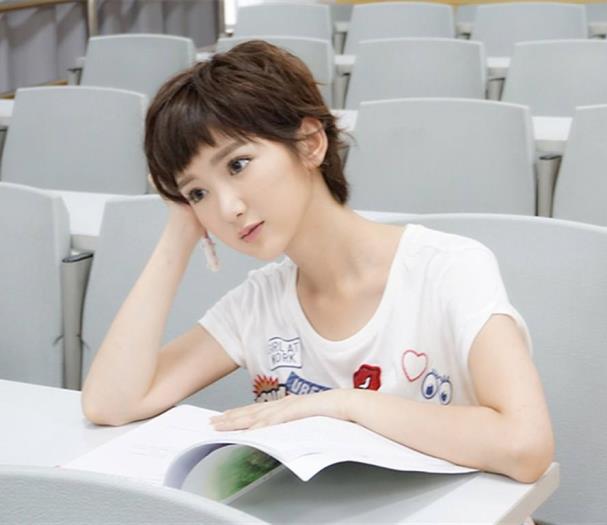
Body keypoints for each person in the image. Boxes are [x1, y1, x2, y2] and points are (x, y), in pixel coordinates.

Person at [82, 41, 554, 483]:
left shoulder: (448, 268)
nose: (227, 208)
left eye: (238, 165)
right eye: (198, 192)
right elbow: (111, 403)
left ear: (310, 143)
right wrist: (179, 233)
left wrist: (346, 406)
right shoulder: (259, 303)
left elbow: (526, 446)